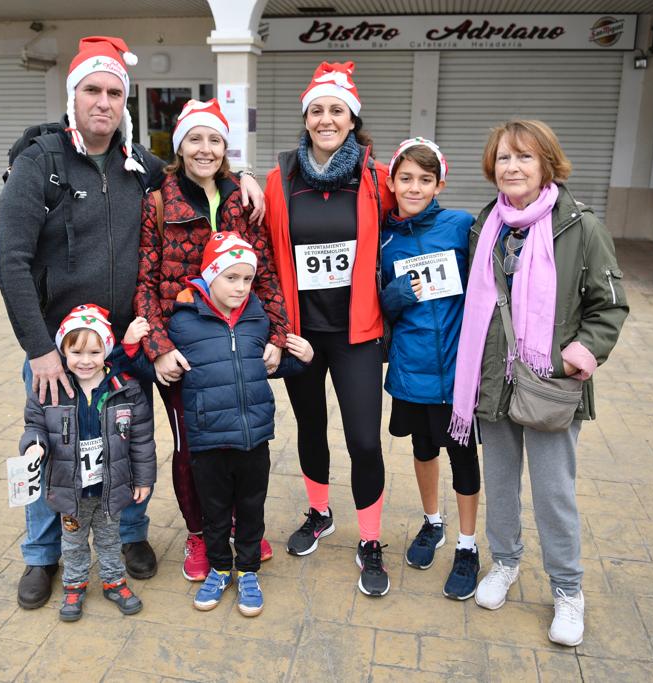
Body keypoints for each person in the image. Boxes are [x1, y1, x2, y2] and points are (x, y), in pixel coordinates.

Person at [0, 36, 267, 610]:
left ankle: (131, 534)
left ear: (125, 101)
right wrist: (39, 349)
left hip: (128, 344)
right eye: (92, 90)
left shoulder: (138, 164)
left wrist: (242, 176)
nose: (104, 101)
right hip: (61, 349)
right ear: (73, 96)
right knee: (53, 447)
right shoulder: (37, 164)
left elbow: (194, 174)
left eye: (114, 92)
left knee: (129, 442)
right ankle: (43, 555)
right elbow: (10, 261)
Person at [450, 119, 628, 646]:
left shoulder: (580, 227)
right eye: (504, 158)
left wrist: (581, 354)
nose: (513, 167)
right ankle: (504, 563)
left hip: (550, 384)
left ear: (547, 162)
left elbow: (609, 305)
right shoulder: (488, 225)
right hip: (492, 381)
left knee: (554, 492)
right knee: (501, 484)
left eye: (524, 157)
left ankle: (568, 591)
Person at [133, 99, 289, 582]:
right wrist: (158, 348)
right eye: (195, 139)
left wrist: (278, 337)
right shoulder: (159, 202)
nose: (205, 149)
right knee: (192, 449)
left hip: (238, 347)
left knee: (242, 443)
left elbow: (266, 277)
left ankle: (241, 532)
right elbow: (144, 282)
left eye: (214, 140)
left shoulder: (243, 199)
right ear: (179, 146)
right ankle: (201, 534)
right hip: (184, 351)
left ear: (226, 148)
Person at [263, 61, 396, 596]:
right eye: (316, 110)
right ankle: (319, 512)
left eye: (335, 110)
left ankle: (370, 539)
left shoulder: (376, 178)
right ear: (305, 116)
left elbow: (415, 214)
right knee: (311, 428)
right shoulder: (280, 179)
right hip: (302, 334)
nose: (325, 118)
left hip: (357, 332)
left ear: (351, 118)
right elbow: (263, 250)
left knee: (364, 439)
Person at [146, 233, 312, 616]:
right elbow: (158, 368)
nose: (240, 287)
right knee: (216, 511)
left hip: (254, 438)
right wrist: (142, 350)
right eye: (230, 278)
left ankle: (249, 570)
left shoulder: (258, 318)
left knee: (251, 507)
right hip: (208, 440)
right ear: (209, 276)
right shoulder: (183, 323)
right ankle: (221, 568)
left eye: (247, 279)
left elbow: (267, 367)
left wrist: (303, 358)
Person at [379, 138, 481, 600]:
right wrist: (400, 293)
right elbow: (378, 303)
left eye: (424, 179)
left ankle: (467, 544)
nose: (414, 187)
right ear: (392, 182)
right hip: (411, 369)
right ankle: (432, 523)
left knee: (463, 456)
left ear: (440, 182)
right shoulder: (384, 237)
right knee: (423, 448)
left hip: (458, 371)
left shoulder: (462, 226)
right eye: (406, 179)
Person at [21, 305, 155, 621]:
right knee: (73, 542)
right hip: (71, 490)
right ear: (62, 350)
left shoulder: (125, 390)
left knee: (110, 540)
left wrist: (143, 479)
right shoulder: (50, 390)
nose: (85, 360)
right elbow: (34, 426)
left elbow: (141, 440)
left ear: (106, 350)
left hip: (109, 487)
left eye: (94, 351)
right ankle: (74, 585)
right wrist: (34, 446)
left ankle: (114, 582)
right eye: (76, 351)